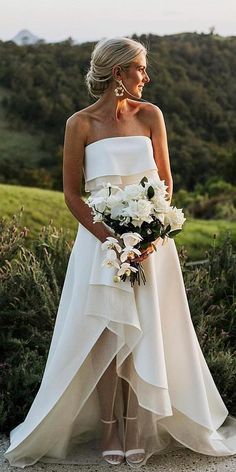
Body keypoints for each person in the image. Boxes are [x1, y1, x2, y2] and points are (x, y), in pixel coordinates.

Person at [4, 36, 236, 469]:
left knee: (148, 330)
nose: (147, 77)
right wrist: (110, 240)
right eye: (141, 68)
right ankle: (109, 426)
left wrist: (150, 235)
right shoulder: (81, 124)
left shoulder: (152, 115)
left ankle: (135, 423)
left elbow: (165, 182)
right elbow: (73, 195)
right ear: (119, 73)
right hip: (100, 247)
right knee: (108, 335)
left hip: (151, 246)